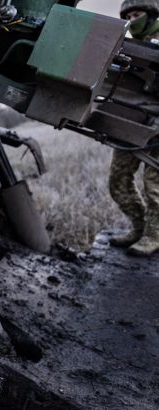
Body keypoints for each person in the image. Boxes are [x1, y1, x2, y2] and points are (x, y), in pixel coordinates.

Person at [108, 0, 159, 256]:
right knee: (117, 181)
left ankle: (154, 236)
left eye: (137, 14)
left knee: (154, 186)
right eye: (127, 15)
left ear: (150, 16)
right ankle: (139, 228)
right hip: (130, 122)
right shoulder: (127, 46)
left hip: (157, 128)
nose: (132, 19)